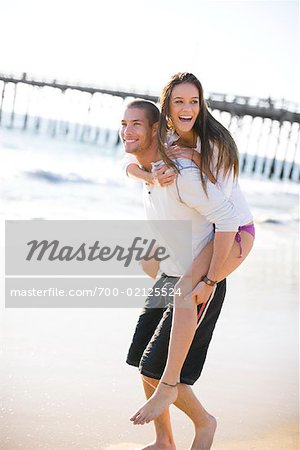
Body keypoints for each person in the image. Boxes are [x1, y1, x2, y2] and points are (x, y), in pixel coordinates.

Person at [123, 73, 255, 431]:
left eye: (193, 101)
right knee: (149, 263)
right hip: (203, 232)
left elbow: (225, 215)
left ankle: (171, 386)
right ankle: (165, 436)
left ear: (202, 104)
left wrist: (210, 278)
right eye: (179, 101)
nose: (187, 108)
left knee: (185, 291)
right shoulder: (165, 139)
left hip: (233, 231)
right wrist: (150, 176)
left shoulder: (213, 145)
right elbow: (132, 164)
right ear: (166, 109)